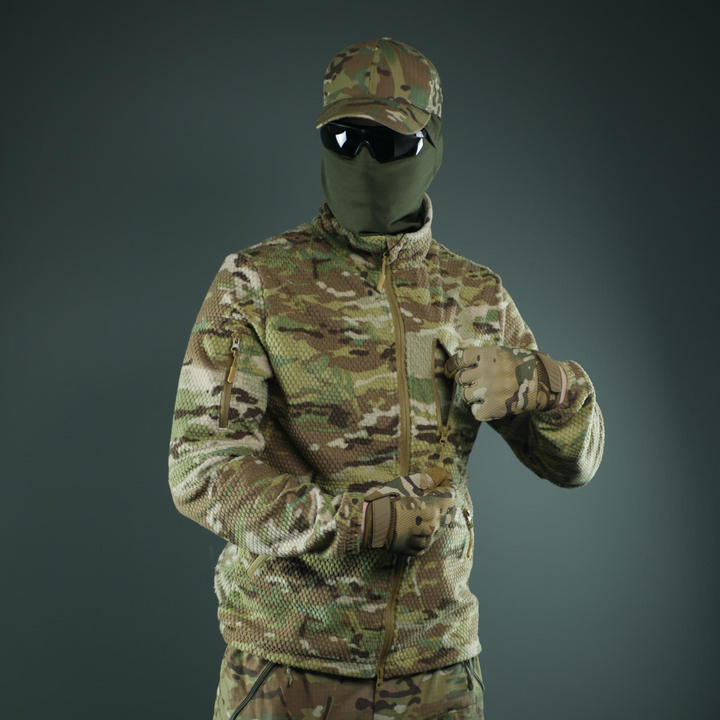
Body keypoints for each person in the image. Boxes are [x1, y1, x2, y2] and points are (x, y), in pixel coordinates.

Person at [167, 36, 605, 720]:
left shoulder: (474, 294)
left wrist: (549, 385)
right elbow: (201, 468)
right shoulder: (257, 282)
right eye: (343, 139)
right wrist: (351, 523)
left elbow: (573, 465)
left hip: (436, 674)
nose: (363, 161)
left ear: (432, 146)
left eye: (390, 142)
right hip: (288, 672)